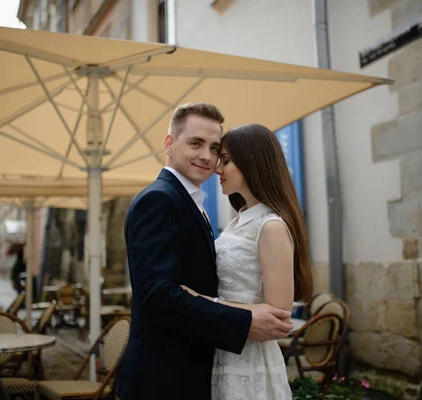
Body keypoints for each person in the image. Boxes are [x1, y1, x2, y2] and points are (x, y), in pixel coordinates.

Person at [117, 103, 294, 400]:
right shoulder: (160, 200)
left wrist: (206, 300)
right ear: (169, 143)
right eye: (196, 143)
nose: (207, 157)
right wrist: (243, 319)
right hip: (164, 380)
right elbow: (157, 296)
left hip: (200, 371)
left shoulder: (194, 204)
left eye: (215, 149)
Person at [181, 124, 313, 399]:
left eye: (226, 161)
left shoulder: (271, 226)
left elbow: (279, 316)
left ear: (253, 162)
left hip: (249, 360)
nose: (218, 169)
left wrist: (203, 302)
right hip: (224, 349)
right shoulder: (239, 220)